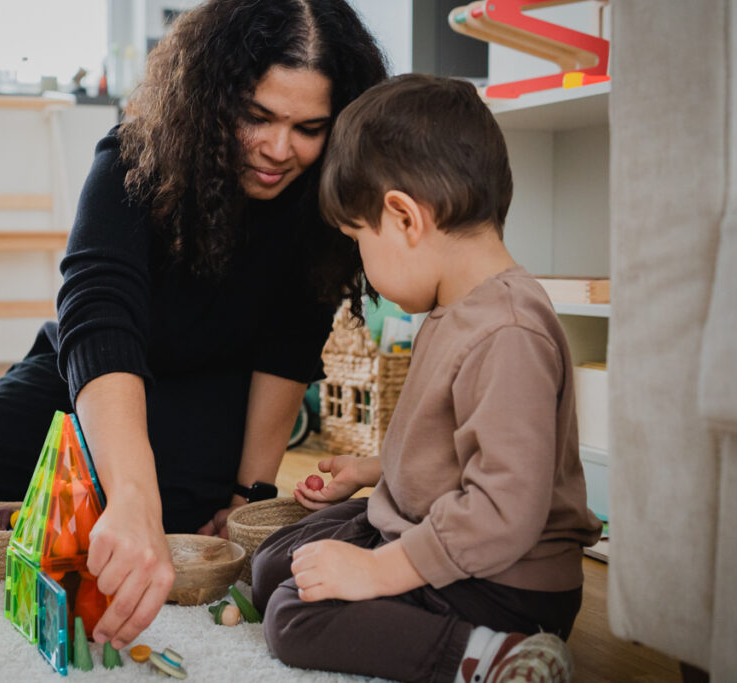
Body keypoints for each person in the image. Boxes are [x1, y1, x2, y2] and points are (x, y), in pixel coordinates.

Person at [0, 0, 386, 649]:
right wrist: (130, 495)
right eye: (258, 117)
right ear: (213, 98)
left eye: (308, 127)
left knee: (184, 522)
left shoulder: (319, 198)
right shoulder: (137, 152)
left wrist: (250, 492)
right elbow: (97, 315)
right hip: (94, 370)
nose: (278, 148)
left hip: (214, 389)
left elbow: (288, 348)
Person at [251, 74, 603, 683]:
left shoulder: (507, 332)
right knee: (274, 565)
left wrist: (376, 573)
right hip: (448, 536)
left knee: (293, 617)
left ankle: (494, 658)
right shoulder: (454, 306)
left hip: (503, 583)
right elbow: (461, 452)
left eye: (359, 240)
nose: (361, 261)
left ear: (405, 219)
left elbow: (501, 511)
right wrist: (377, 471)